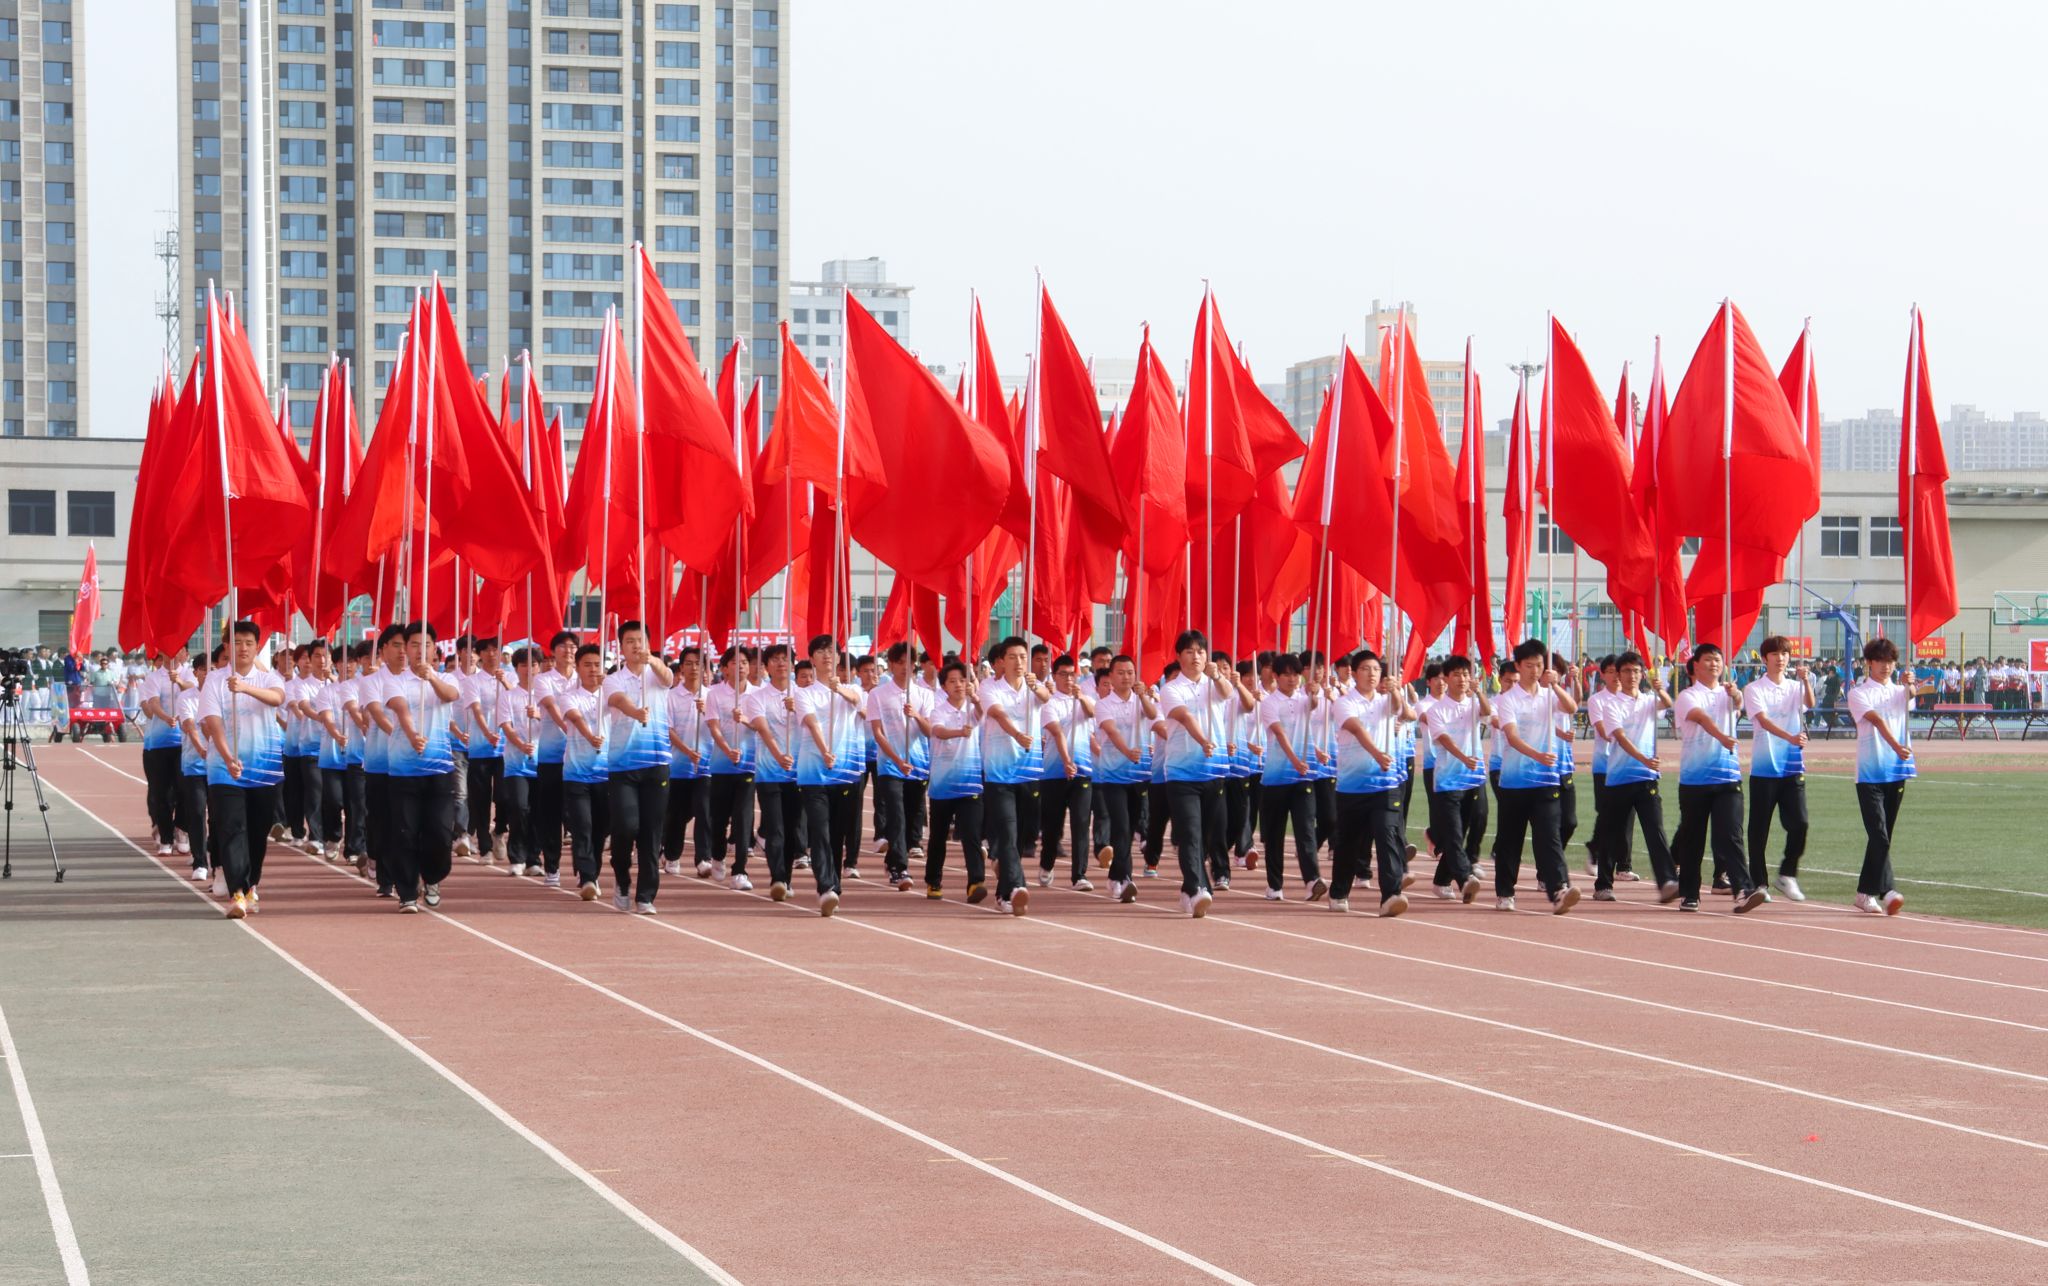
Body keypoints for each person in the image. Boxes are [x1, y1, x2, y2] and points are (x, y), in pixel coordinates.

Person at [198, 621, 288, 919]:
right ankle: (237, 892)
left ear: (257, 647)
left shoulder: (268, 677)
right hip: (224, 769)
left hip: (264, 768)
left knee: (257, 832)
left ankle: (250, 886)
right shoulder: (215, 680)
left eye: (249, 642)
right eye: (237, 642)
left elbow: (278, 698)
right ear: (227, 646)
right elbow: (213, 722)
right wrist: (227, 757)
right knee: (231, 827)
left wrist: (245, 687)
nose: (243, 648)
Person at [1670, 643, 1766, 914]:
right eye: (1708, 659)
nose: (1714, 664)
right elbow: (1701, 718)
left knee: (1731, 835)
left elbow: (1738, 705)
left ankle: (1743, 890)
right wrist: (1722, 737)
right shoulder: (1687, 696)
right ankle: (1689, 894)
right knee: (1693, 839)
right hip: (1695, 779)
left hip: (1728, 777)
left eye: (1718, 660)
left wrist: (1736, 696)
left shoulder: (1728, 694)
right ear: (1695, 665)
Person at [1489, 639, 1582, 914]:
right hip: (1514, 781)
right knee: (1510, 839)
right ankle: (1505, 892)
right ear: (1518, 666)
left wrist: (1556, 685)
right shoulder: (1507, 700)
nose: (1534, 670)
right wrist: (1537, 755)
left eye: (1539, 665)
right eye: (1529, 665)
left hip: (1546, 780)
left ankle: (1558, 889)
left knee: (1549, 836)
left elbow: (1572, 708)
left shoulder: (1549, 695)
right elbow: (1512, 736)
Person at [1847, 637, 1932, 915]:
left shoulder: (1898, 691)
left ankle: (1865, 893)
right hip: (1870, 773)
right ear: (1869, 663)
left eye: (1891, 661)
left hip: (1897, 771)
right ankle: (1886, 890)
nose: (1886, 666)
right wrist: (1896, 745)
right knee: (1879, 835)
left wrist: (1910, 685)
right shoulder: (1859, 693)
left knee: (1883, 836)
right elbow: (1877, 721)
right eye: (1881, 661)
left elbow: (1909, 697)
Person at [1331, 649, 1418, 916]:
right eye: (1366, 669)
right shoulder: (1344, 703)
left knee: (1387, 835)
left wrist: (1395, 691)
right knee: (1349, 844)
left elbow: (1405, 713)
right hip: (1353, 786)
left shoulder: (1384, 701)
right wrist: (1377, 754)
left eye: (1376, 670)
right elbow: (1357, 729)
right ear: (1354, 673)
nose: (1372, 674)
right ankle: (1339, 892)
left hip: (1385, 785)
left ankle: (1391, 895)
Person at [1154, 630, 1234, 918]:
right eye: (1189, 651)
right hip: (1181, 773)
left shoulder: (1213, 684)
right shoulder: (1171, 689)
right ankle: (1198, 887)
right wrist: (1203, 741)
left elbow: (1228, 694)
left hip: (1214, 771)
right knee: (1189, 833)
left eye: (1200, 651)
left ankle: (1190, 889)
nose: (1195, 656)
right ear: (1179, 656)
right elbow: (1185, 717)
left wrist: (1218, 676)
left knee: (1208, 834)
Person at [385, 622, 463, 913]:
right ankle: (407, 892)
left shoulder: (446, 679)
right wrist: (412, 735)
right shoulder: (396, 681)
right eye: (414, 644)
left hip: (440, 770)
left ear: (434, 649)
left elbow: (450, 696)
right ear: (406, 649)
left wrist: (430, 678)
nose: (420, 650)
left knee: (440, 833)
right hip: (403, 771)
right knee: (405, 832)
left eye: (426, 645)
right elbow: (401, 709)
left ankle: (432, 878)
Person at [1589, 651, 1678, 902]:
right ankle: (1603, 885)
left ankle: (1667, 881)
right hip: (1619, 778)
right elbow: (1620, 737)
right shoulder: (1612, 705)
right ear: (1619, 674)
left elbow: (1667, 704)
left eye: (1636, 671)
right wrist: (1643, 758)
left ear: (1642, 674)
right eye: (1627, 671)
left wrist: (1660, 689)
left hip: (1647, 778)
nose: (1632, 675)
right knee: (1612, 833)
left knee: (1655, 830)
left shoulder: (1649, 701)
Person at [599, 620, 672, 914]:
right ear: (621, 647)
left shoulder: (657, 674)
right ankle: (621, 876)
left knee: (652, 833)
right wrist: (635, 711)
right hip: (623, 765)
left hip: (657, 762)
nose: (635, 645)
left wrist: (651, 660)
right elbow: (618, 701)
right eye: (629, 641)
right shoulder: (613, 679)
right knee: (626, 826)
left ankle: (645, 896)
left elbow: (668, 678)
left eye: (640, 640)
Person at [978, 636, 1048, 916]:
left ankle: (1003, 891)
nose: (1018, 662)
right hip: (999, 774)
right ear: (1001, 661)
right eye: (1012, 657)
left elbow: (1046, 698)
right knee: (1007, 832)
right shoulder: (989, 687)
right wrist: (1018, 735)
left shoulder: (1034, 686)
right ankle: (1016, 888)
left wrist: (1036, 687)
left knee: (1024, 837)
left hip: (1029, 773)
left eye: (1022, 657)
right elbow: (997, 714)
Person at [1744, 636, 1815, 901]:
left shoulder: (1795, 686)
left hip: (1792, 768)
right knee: (1759, 829)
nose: (1780, 658)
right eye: (1774, 654)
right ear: (1765, 659)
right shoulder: (1754, 689)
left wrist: (1805, 680)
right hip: (1765, 768)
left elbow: (1810, 703)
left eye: (1784, 654)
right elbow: (1762, 720)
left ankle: (1787, 873)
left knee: (1800, 823)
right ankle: (1758, 883)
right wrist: (1790, 737)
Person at [1256, 652, 1328, 902]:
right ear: (1276, 676)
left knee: (1306, 830)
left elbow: (1310, 716)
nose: (1292, 679)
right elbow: (1280, 734)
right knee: (1274, 836)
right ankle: (1275, 885)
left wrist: (1314, 694)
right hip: (1276, 778)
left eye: (1296, 674)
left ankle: (1312, 880)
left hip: (1303, 778)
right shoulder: (1269, 703)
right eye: (1286, 674)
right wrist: (1295, 760)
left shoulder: (1303, 699)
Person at [741, 643, 804, 903]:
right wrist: (778, 755)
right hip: (769, 772)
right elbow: (762, 728)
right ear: (766, 666)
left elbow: (816, 725)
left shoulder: (803, 695)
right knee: (776, 827)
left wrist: (797, 709)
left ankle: (785, 877)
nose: (780, 663)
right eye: (775, 659)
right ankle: (777, 878)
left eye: (785, 659)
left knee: (792, 829)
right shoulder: (757, 697)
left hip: (800, 773)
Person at [1424, 654, 1489, 904]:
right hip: (1448, 780)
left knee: (1477, 822)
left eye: (1465, 674)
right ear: (1446, 678)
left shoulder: (1473, 704)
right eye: (1457, 675)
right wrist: (1463, 757)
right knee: (1453, 833)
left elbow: (1487, 713)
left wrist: (1479, 691)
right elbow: (1443, 739)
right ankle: (1465, 879)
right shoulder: (1436, 710)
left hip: (1474, 777)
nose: (1462, 679)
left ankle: (1441, 881)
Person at [1091, 653, 1156, 903]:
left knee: (1129, 830)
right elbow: (1111, 731)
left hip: (1139, 776)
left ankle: (1115, 876)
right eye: (1120, 673)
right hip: (1112, 775)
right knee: (1120, 826)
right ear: (1111, 676)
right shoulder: (1104, 704)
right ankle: (1125, 878)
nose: (1126, 677)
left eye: (1130, 672)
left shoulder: (1141, 700)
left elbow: (1153, 715)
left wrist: (1143, 696)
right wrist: (1127, 751)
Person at [870, 641, 933, 893]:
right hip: (890, 765)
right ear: (891, 664)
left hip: (918, 765)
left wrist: (916, 715)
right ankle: (899, 868)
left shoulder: (924, 695)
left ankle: (893, 858)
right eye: (899, 662)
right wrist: (897, 760)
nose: (905, 667)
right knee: (896, 815)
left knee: (911, 817)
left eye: (910, 662)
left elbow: (930, 731)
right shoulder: (878, 694)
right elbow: (878, 732)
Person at [923, 659, 988, 901]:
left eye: (962, 680)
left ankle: (976, 882)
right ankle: (933, 881)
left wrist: (976, 698)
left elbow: (982, 714)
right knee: (938, 836)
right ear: (944, 686)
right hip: (943, 784)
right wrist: (959, 732)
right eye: (952, 681)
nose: (958, 685)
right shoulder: (938, 710)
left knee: (971, 834)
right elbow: (938, 731)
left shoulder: (972, 708)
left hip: (970, 783)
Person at [1037, 654, 1097, 891]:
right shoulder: (1049, 703)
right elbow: (1057, 732)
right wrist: (1065, 761)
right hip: (1054, 773)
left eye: (1072, 674)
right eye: (1063, 674)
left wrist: (1080, 697)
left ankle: (1079, 875)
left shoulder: (1084, 699)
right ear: (1055, 676)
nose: (1068, 679)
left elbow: (1092, 713)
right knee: (1052, 828)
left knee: (1081, 824)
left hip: (1082, 772)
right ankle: (1047, 863)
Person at [556, 643, 610, 900]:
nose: (592, 670)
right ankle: (588, 876)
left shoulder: (611, 697)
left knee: (600, 828)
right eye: (587, 665)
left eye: (597, 665)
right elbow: (575, 718)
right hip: (576, 773)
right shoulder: (569, 696)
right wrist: (590, 737)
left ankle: (591, 872)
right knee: (582, 825)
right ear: (577, 668)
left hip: (606, 773)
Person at [702, 646, 757, 890]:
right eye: (735, 662)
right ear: (725, 668)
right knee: (719, 817)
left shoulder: (757, 694)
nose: (741, 666)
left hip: (748, 765)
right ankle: (717, 855)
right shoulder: (715, 694)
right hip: (721, 764)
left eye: (744, 662)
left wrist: (746, 720)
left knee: (743, 819)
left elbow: (762, 726)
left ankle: (740, 870)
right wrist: (727, 750)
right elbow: (713, 726)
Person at [531, 630, 581, 888]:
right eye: (562, 646)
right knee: (551, 813)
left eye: (572, 646)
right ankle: (552, 865)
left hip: (581, 758)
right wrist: (574, 730)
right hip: (552, 757)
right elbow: (551, 707)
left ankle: (584, 868)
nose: (568, 650)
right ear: (553, 651)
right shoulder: (544, 680)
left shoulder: (585, 679)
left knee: (579, 814)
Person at [662, 645, 711, 879]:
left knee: (704, 811)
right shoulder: (671, 696)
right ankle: (672, 855)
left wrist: (707, 712)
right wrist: (687, 751)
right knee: (677, 815)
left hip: (706, 766)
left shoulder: (711, 696)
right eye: (689, 663)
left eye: (698, 664)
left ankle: (703, 858)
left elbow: (720, 727)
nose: (693, 668)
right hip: (678, 766)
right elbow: (668, 729)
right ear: (681, 668)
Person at [498, 646, 543, 881]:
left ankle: (534, 858)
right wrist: (520, 744)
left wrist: (539, 715)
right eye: (523, 665)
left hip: (543, 762)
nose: (529, 669)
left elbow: (557, 722)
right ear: (516, 668)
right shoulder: (508, 696)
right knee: (518, 807)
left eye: (533, 664)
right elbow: (506, 725)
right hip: (516, 763)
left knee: (538, 811)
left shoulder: (546, 696)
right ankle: (517, 857)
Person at [137, 649, 186, 856]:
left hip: (186, 743)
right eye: (167, 650)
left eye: (178, 649)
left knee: (185, 791)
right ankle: (166, 837)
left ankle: (182, 829)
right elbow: (151, 707)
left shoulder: (190, 674)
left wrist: (180, 682)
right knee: (161, 793)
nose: (173, 653)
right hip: (157, 744)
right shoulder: (153, 678)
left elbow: (197, 693)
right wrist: (166, 717)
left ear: (184, 653)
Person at [463, 638, 508, 864]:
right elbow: (477, 709)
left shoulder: (509, 678)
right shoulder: (473, 681)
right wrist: (487, 733)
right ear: (480, 654)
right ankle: (485, 847)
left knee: (506, 796)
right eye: (487, 650)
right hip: (481, 748)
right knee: (480, 800)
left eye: (495, 650)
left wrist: (505, 682)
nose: (491, 654)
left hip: (506, 749)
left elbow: (518, 701)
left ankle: (499, 830)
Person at [176, 649, 215, 883]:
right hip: (194, 765)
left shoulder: (223, 696)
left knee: (217, 815)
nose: (208, 674)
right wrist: (201, 748)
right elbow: (190, 725)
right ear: (196, 672)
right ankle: (200, 861)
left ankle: (215, 857)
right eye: (204, 670)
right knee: (198, 811)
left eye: (212, 670)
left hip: (219, 766)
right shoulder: (186, 697)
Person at [311, 645, 352, 864]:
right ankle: (333, 837)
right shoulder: (326, 691)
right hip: (332, 756)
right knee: (334, 801)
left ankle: (354, 846)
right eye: (344, 661)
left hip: (357, 757)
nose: (349, 666)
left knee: (355, 804)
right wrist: (337, 735)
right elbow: (326, 718)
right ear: (336, 664)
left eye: (352, 661)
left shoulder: (362, 687)